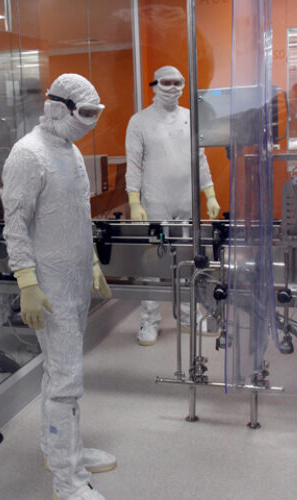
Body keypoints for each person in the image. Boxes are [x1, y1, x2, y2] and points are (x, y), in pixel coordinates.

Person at [2, 73, 114, 500]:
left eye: (95, 113)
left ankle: (62, 451)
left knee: (61, 372)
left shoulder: (70, 150)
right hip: (49, 286)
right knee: (66, 381)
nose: (90, 121)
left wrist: (92, 264)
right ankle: (68, 482)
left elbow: (78, 214)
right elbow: (15, 224)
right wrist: (27, 281)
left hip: (75, 278)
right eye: (84, 113)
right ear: (57, 106)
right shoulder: (27, 154)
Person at [125, 65, 221, 346]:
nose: (173, 88)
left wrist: (209, 193)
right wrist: (134, 201)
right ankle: (149, 320)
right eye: (166, 82)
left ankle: (189, 316)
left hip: (186, 199)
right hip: (155, 201)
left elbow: (200, 159)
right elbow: (134, 164)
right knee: (153, 262)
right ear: (154, 85)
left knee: (188, 259)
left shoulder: (191, 119)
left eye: (178, 82)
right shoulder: (140, 121)